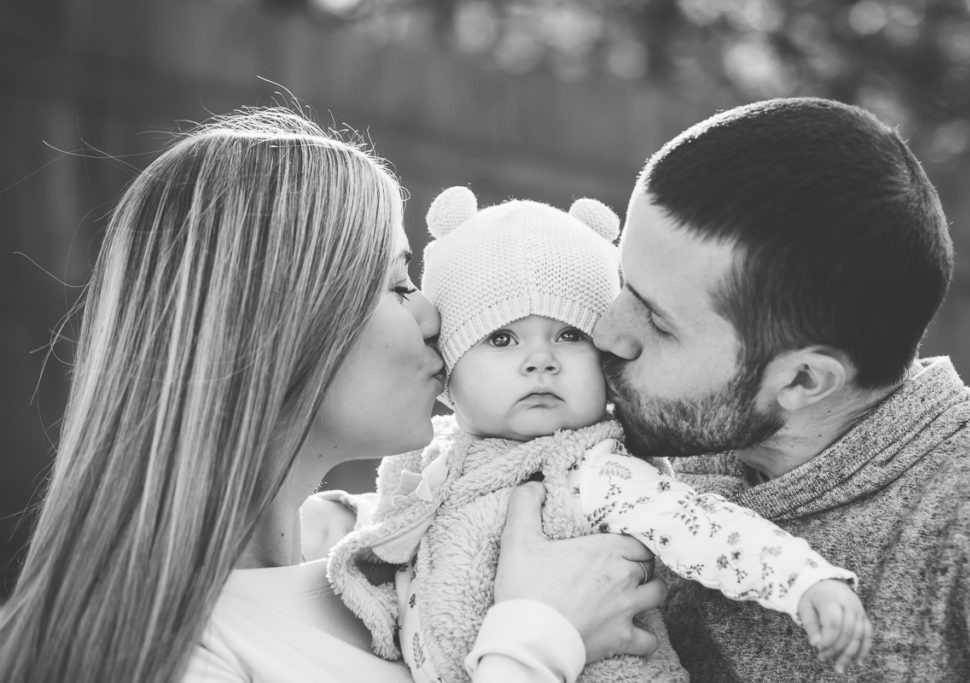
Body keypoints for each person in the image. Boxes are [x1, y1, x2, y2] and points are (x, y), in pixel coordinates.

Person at [0, 108, 666, 683]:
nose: (434, 316)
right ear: (283, 326)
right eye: (399, 285)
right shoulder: (170, 653)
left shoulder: (388, 544)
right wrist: (539, 636)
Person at [320, 186, 871, 683]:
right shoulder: (431, 464)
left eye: (568, 334)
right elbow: (387, 536)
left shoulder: (599, 469)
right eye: (502, 340)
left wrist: (804, 581)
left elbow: (707, 530)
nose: (540, 361)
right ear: (448, 370)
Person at [593, 96, 970, 681]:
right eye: (622, 282)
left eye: (658, 321)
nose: (605, 331)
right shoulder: (619, 435)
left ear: (802, 379)